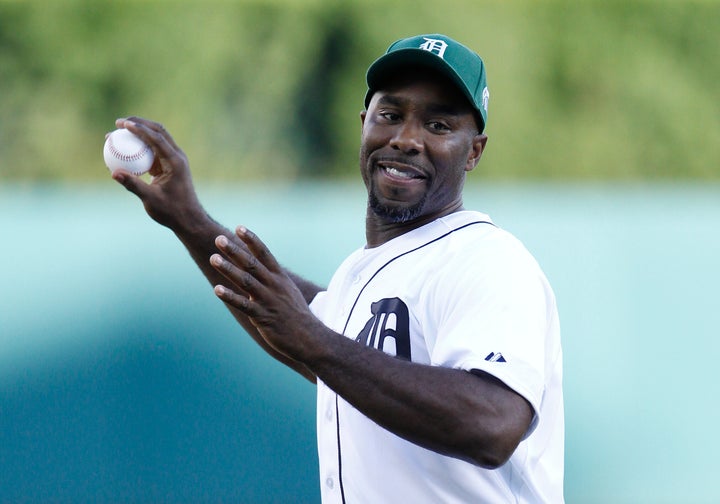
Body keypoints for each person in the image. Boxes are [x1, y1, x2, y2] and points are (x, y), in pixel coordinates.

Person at [111, 33, 564, 503]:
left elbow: (493, 422)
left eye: (439, 125)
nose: (407, 139)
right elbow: (307, 329)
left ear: (474, 151)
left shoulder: (487, 260)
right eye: (390, 115)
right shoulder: (366, 271)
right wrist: (190, 220)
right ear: (363, 123)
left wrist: (315, 341)